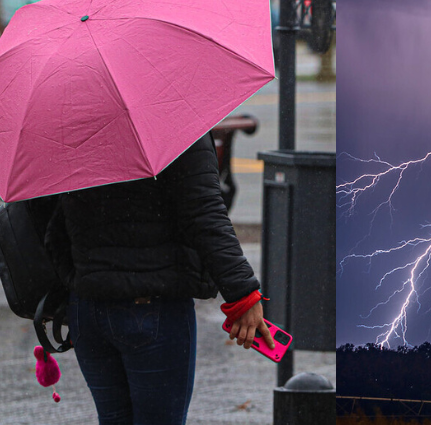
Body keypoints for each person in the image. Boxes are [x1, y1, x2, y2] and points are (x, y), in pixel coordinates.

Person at [47, 133, 272, 424]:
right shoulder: (175, 122)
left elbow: (50, 225)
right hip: (153, 308)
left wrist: (77, 285)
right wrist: (243, 294)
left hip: (88, 311)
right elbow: (204, 214)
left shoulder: (69, 125)